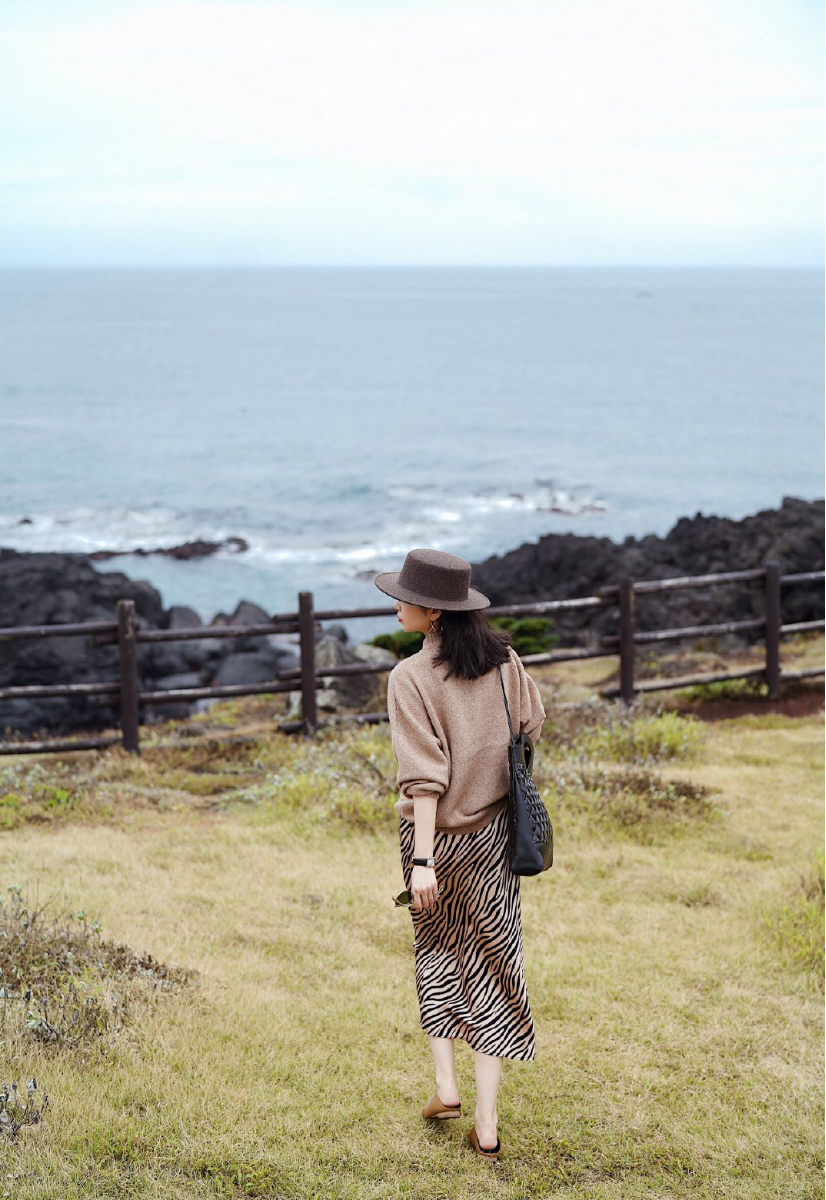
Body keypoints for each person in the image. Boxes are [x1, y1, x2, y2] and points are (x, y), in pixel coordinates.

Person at [374, 547, 546, 1161]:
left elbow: (423, 780)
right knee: (496, 965)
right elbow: (532, 724)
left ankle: (445, 1085)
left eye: (403, 596)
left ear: (431, 611)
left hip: (437, 844)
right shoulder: (505, 663)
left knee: (440, 953)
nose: (396, 604)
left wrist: (421, 861)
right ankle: (487, 1123)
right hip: (495, 838)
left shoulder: (409, 678)